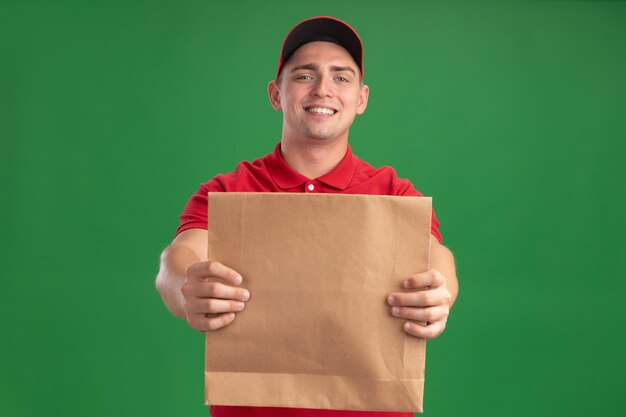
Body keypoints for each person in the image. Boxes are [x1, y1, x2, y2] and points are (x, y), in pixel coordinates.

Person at [155, 16, 459, 417]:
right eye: (304, 75)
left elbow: (436, 257)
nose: (323, 90)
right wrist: (183, 290)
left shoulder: (393, 193)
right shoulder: (230, 190)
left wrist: (441, 296)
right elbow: (178, 259)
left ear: (362, 99)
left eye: (341, 78)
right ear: (275, 94)